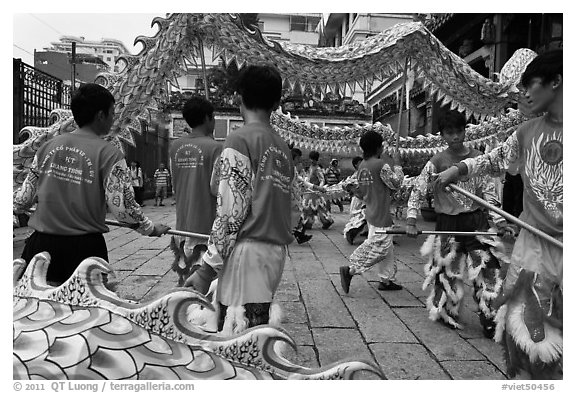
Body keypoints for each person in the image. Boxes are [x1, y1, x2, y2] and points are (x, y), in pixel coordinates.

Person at [436, 50, 563, 379]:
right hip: (534, 242)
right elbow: (492, 160)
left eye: (529, 85)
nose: (525, 94)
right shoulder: (526, 132)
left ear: (555, 82)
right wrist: (459, 170)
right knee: (527, 322)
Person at [13, 83, 170, 285]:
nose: (114, 119)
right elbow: (122, 208)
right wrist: (150, 229)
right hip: (83, 252)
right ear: (100, 115)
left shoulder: (47, 148)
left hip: (40, 248)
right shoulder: (109, 154)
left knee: (40, 312)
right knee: (86, 314)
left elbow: (23, 200)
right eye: (112, 113)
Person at [187, 64, 295, 334]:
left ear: (239, 97)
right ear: (276, 102)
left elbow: (229, 213)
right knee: (256, 326)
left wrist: (205, 271)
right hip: (274, 252)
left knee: (237, 335)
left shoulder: (240, 139)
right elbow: (292, 205)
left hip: (247, 250)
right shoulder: (282, 147)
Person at [405, 110, 514, 338]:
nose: (455, 137)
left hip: (477, 224)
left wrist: (500, 220)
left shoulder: (477, 160)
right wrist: (411, 219)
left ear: (465, 131)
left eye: (459, 131)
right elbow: (417, 190)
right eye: (449, 133)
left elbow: (489, 193)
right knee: (447, 274)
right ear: (442, 135)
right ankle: (447, 313)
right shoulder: (435, 163)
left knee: (488, 271)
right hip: (447, 225)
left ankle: (490, 318)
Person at [339, 131, 404, 294]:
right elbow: (396, 184)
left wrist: (353, 190)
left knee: (387, 249)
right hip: (380, 214)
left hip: (371, 211)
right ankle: (351, 270)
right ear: (378, 147)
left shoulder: (362, 166)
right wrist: (397, 164)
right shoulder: (381, 165)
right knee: (380, 247)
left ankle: (386, 280)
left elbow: (360, 192)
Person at [169, 96, 222, 286]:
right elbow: (217, 189)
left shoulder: (175, 147)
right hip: (206, 227)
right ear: (208, 118)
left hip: (182, 224)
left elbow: (174, 182)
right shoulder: (216, 148)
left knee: (186, 279)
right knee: (206, 285)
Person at [291, 148, 326, 244]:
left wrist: (319, 188)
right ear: (296, 157)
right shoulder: (289, 168)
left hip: (308, 194)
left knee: (300, 216)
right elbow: (302, 181)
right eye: (299, 158)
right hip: (290, 197)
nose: (300, 160)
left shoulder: (294, 169)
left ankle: (300, 235)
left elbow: (303, 181)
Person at [301, 151, 334, 230]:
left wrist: (320, 188)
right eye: (311, 159)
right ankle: (309, 223)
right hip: (309, 191)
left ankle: (325, 221)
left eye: (314, 159)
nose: (312, 161)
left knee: (316, 208)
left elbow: (322, 179)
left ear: (317, 160)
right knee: (312, 208)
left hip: (315, 191)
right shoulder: (310, 167)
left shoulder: (318, 169)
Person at [343, 156, 367, 245]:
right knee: (359, 216)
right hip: (358, 199)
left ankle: (364, 231)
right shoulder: (355, 175)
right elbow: (348, 186)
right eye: (361, 162)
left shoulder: (364, 173)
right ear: (356, 165)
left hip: (364, 198)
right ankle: (351, 232)